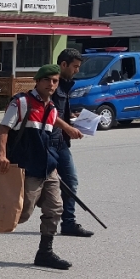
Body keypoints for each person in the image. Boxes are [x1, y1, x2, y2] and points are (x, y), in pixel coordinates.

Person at [0, 64, 72, 270]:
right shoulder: (21, 102)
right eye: (47, 80)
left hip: (48, 167)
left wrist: (69, 128)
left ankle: (44, 253)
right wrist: (2, 154)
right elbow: (4, 128)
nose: (51, 84)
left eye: (55, 81)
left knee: (55, 209)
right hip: (27, 168)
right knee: (22, 213)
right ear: (37, 81)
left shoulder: (51, 107)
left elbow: (55, 121)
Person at [51, 48, 94, 238]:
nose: (77, 70)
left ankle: (68, 222)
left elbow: (58, 112)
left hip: (60, 142)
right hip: (46, 142)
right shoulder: (51, 84)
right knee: (30, 188)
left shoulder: (65, 85)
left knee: (70, 182)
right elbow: (46, 112)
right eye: (75, 66)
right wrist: (67, 128)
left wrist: (71, 117)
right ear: (63, 65)